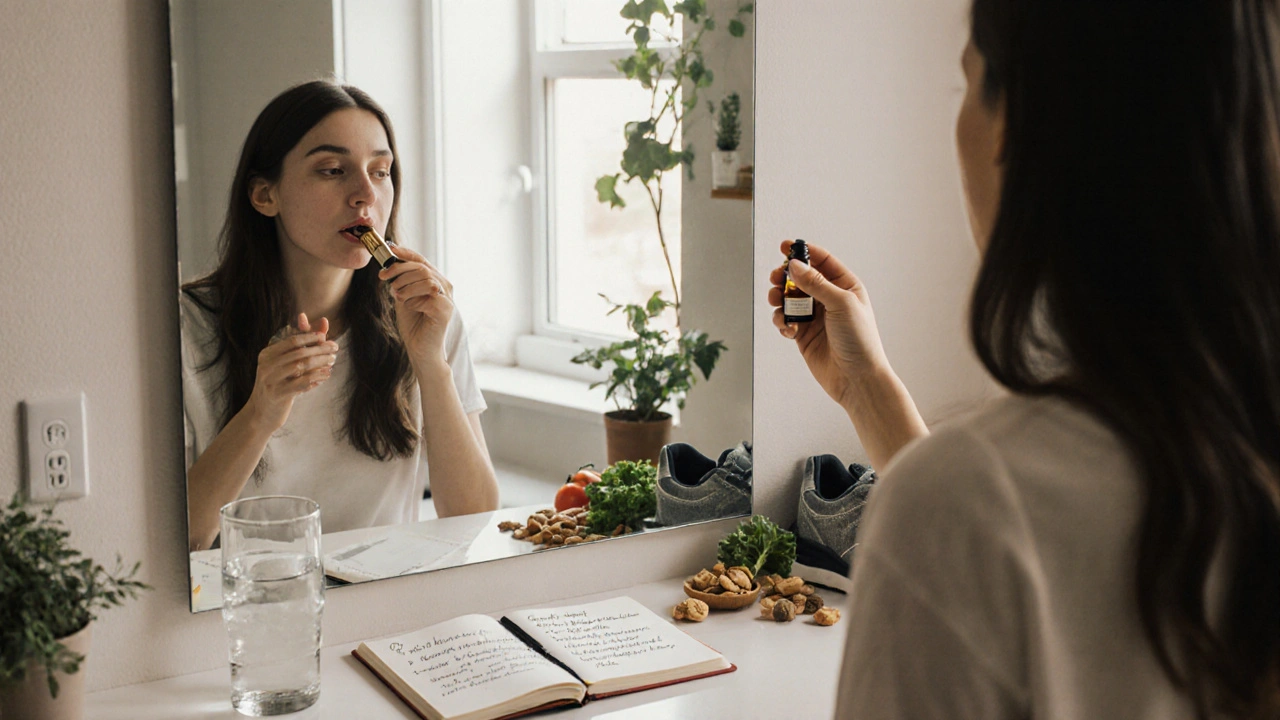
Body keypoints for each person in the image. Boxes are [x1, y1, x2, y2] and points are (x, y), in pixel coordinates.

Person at [770, 1, 1280, 717]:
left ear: (1013, 125)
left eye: (966, 86)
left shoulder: (965, 507)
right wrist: (866, 391)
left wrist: (937, 493)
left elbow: (1000, 530)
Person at [182, 80, 498, 551]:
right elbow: (182, 538)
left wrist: (432, 366)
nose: (364, 194)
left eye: (382, 171)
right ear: (265, 195)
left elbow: (474, 519)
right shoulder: (187, 328)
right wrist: (261, 413)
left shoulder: (425, 314)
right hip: (254, 605)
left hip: (389, 602)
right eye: (333, 170)